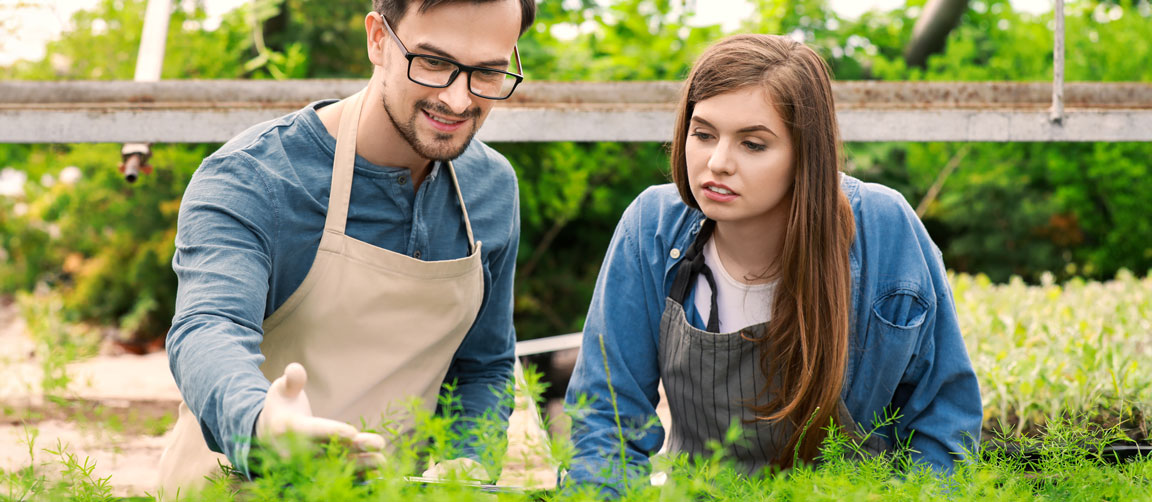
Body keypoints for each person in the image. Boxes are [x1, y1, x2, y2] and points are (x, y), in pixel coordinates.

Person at [563, 34, 982, 495]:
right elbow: (606, 420)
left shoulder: (885, 230)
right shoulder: (653, 228)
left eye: (753, 144)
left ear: (806, 155)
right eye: (703, 134)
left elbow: (943, 423)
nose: (717, 163)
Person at [157, 0, 535, 495]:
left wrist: (468, 461)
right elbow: (208, 329)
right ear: (378, 39)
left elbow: (483, 365)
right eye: (434, 63)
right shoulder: (255, 177)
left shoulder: (492, 189)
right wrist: (262, 424)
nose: (460, 101)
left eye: (487, 72)